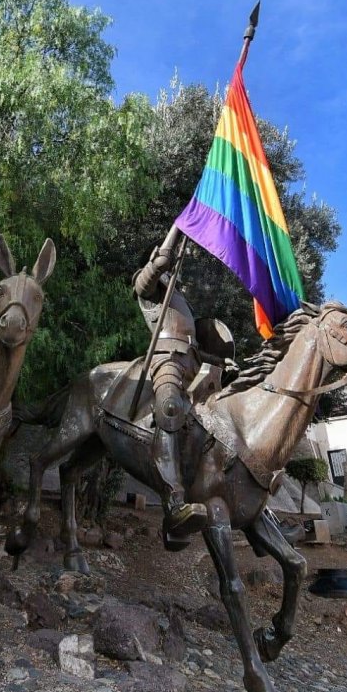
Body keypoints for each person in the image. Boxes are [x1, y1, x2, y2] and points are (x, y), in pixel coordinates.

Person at [133, 227, 208, 538]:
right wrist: (177, 230)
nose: (175, 259)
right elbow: (155, 268)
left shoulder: (179, 298)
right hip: (166, 360)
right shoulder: (147, 286)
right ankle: (174, 502)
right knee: (169, 409)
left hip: (193, 364)